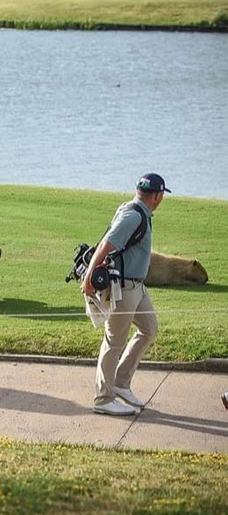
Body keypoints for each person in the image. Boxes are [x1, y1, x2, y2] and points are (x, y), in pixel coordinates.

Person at [82, 173, 170, 416]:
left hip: (138, 287)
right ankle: (103, 398)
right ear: (157, 196)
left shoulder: (139, 212)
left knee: (149, 328)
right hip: (124, 288)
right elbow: (106, 245)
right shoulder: (133, 215)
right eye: (162, 195)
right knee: (114, 341)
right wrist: (89, 277)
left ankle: (120, 383)